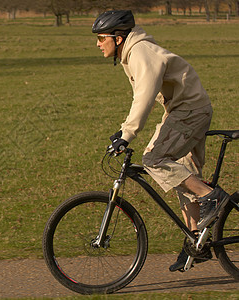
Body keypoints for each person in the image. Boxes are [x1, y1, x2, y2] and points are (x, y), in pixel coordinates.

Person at [91, 10, 230, 272]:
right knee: (184, 176)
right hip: (186, 110)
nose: (98, 44)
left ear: (118, 38)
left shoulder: (141, 52)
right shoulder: (133, 52)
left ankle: (213, 197)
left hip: (188, 112)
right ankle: (196, 244)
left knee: (154, 159)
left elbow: (143, 96)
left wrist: (127, 133)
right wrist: (125, 131)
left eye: (101, 38)